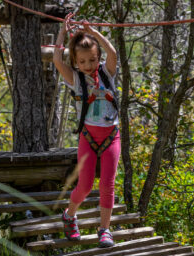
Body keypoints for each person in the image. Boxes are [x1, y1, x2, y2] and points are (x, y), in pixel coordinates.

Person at [53, 13, 121, 248]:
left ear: (97, 57)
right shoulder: (75, 78)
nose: (88, 65)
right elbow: (56, 60)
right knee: (85, 185)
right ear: (76, 62)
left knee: (108, 184)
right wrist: (63, 32)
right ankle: (69, 215)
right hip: (88, 138)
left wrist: (93, 32)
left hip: (111, 136)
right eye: (82, 62)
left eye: (92, 60)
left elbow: (112, 52)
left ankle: (105, 230)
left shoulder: (107, 72)